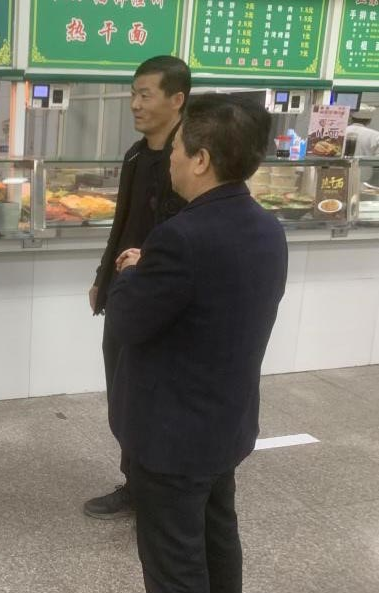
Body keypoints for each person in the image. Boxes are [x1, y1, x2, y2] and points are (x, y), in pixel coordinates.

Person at [107, 94, 287, 593]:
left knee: (174, 561)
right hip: (225, 423)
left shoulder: (180, 238)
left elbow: (127, 321)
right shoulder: (268, 227)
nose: (172, 159)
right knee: (217, 536)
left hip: (172, 435)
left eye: (178, 148)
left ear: (201, 159)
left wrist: (132, 271)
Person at [84, 55, 190, 520]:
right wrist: (103, 278)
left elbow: (189, 233)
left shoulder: (188, 160)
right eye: (133, 94)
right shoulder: (135, 154)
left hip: (162, 300)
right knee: (123, 395)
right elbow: (122, 223)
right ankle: (135, 483)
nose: (135, 104)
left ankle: (156, 492)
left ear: (177, 99)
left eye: (145, 95)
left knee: (153, 397)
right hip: (124, 295)